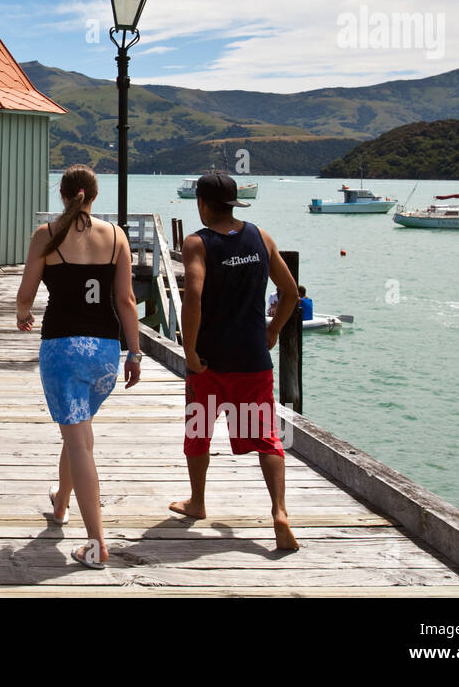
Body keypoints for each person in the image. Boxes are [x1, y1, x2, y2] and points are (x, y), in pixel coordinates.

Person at [16, 164, 141, 569]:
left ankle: (96, 544)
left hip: (63, 351)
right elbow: (126, 301)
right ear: (94, 194)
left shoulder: (46, 235)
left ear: (64, 195)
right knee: (79, 432)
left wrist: (22, 314)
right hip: (105, 352)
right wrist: (135, 352)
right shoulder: (117, 236)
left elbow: (26, 293)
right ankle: (61, 504)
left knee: (79, 441)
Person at [170, 171, 301, 551]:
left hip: (210, 362)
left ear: (203, 204)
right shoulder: (261, 237)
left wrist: (190, 353)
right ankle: (279, 512)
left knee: (199, 432)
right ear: (234, 203)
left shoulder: (198, 243)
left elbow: (192, 299)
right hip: (252, 360)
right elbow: (289, 292)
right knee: (267, 439)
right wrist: (273, 330)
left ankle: (196, 502)